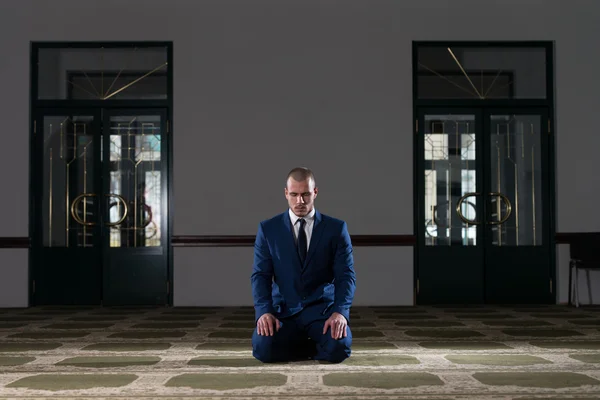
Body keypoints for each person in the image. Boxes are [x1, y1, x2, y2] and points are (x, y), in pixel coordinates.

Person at [250, 167, 356, 363]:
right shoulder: (268, 229)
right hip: (284, 312)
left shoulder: (336, 229)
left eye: (306, 194)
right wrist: (264, 312)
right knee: (262, 349)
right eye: (294, 195)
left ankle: (300, 347)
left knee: (340, 347)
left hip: (322, 311)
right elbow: (260, 275)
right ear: (286, 194)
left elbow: (346, 276)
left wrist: (340, 312)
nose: (300, 201)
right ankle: (311, 348)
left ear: (315, 192)